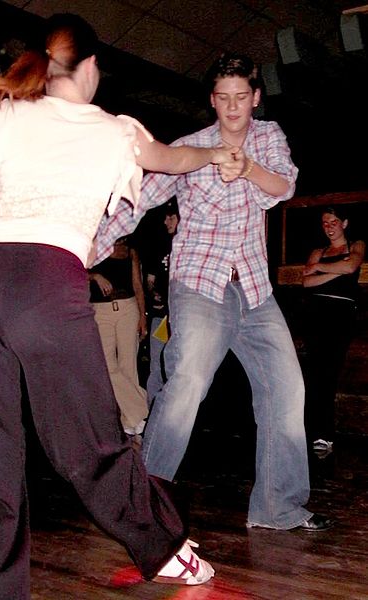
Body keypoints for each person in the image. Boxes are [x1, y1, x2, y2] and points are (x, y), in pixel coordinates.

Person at [0, 13, 239, 599]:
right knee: (90, 446)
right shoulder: (116, 129)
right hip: (45, 284)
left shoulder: (5, 113)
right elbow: (173, 160)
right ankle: (166, 550)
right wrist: (217, 154)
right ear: (90, 67)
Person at [95, 52, 332, 532]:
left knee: (288, 388)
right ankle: (147, 508)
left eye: (241, 97)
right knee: (186, 384)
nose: (232, 107)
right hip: (200, 283)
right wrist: (84, 247)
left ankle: (277, 508)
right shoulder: (191, 147)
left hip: (255, 288)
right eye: (223, 98)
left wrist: (246, 169)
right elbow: (139, 199)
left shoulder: (268, 136)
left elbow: (284, 186)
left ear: (255, 97)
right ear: (212, 100)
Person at [302, 206, 365, 453]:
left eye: (334, 221)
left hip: (341, 314)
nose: (329, 226)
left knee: (329, 372)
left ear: (345, 223)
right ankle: (311, 432)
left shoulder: (356, 245)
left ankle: (324, 435)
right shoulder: (319, 251)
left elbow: (351, 268)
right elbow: (307, 280)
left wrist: (321, 268)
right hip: (316, 313)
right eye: (325, 223)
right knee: (313, 373)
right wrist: (333, 269)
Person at [89, 234, 148, 436]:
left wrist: (143, 317)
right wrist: (95, 276)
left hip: (127, 308)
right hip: (100, 310)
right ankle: (140, 410)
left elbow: (137, 285)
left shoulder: (130, 249)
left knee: (128, 365)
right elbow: (76, 271)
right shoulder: (94, 245)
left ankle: (129, 419)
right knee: (106, 366)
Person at [145, 199, 179, 406]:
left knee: (179, 370)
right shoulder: (159, 245)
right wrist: (154, 294)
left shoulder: (191, 246)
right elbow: (149, 280)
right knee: (157, 367)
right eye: (165, 217)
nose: (167, 221)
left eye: (171, 217)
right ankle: (153, 414)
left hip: (182, 316)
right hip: (161, 317)